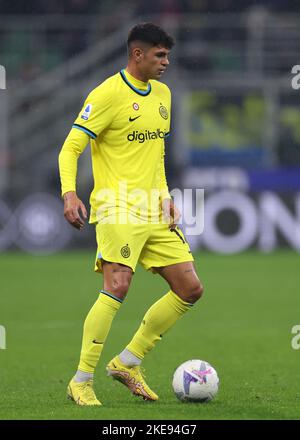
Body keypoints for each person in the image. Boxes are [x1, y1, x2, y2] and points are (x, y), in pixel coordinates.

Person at [58, 22, 204, 406]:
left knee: (190, 288)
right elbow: (70, 148)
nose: (166, 62)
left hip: (153, 208)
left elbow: (155, 154)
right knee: (118, 285)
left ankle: (128, 362)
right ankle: (81, 380)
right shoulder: (107, 94)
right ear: (137, 54)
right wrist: (70, 193)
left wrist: (166, 195)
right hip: (116, 204)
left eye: (167, 55)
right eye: (159, 55)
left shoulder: (163, 95)